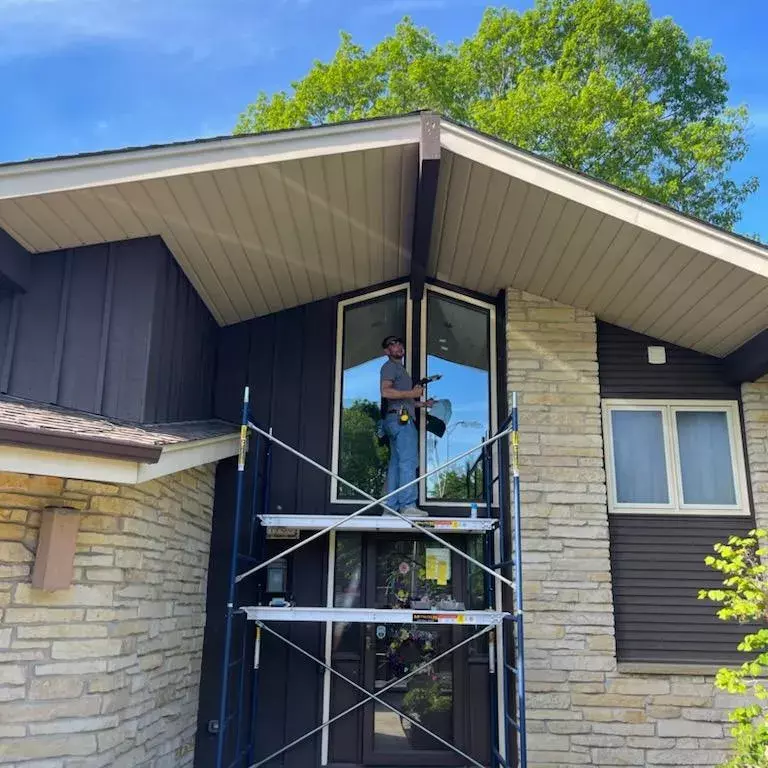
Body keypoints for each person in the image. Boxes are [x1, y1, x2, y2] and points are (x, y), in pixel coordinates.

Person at [380, 335, 433, 517]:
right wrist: (412, 392)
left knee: (396, 464)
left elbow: (403, 400)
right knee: (408, 461)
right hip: (400, 422)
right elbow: (385, 391)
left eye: (399, 343)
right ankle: (408, 505)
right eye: (392, 345)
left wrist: (422, 404)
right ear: (387, 352)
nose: (398, 346)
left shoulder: (400, 370)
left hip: (395, 418)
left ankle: (390, 507)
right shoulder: (390, 367)